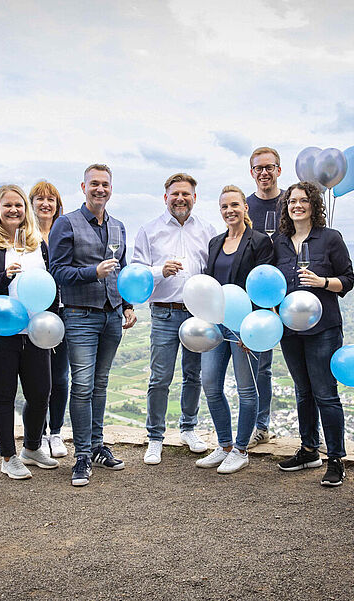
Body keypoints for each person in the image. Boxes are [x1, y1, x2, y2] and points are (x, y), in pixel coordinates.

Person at [49, 164, 137, 487]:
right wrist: (91, 273)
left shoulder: (119, 227)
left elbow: (123, 271)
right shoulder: (66, 223)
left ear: (111, 189)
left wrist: (127, 305)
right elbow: (56, 271)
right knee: (82, 385)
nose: (100, 189)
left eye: (105, 184)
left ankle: (98, 445)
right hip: (79, 315)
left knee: (101, 384)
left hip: (112, 315)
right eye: (94, 184)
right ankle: (82, 454)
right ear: (82, 187)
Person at [0, 185, 59, 480]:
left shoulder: (38, 245)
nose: (13, 210)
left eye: (19, 205)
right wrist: (4, 275)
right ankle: (8, 456)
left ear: (26, 210)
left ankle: (32, 448)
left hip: (34, 331)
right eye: (7, 205)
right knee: (4, 394)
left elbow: (48, 286)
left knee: (40, 392)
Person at [132, 173, 216, 465]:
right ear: (165, 197)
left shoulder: (207, 229)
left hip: (197, 313)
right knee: (160, 378)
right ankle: (155, 437)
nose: (180, 199)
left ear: (195, 197)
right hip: (164, 311)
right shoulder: (149, 230)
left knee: (193, 375)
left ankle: (188, 428)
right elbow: (136, 274)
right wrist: (159, 271)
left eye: (186, 194)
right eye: (175, 194)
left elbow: (213, 271)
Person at [274, 182, 354, 486]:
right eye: (292, 201)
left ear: (314, 205)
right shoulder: (280, 242)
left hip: (323, 329)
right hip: (289, 329)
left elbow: (346, 280)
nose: (297, 205)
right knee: (302, 391)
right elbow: (270, 282)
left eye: (303, 200)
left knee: (325, 393)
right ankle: (309, 449)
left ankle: (336, 459)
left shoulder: (330, 238)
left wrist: (321, 281)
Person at [196, 185, 274, 474]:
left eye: (235, 205)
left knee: (246, 389)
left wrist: (251, 328)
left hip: (245, 325)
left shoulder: (260, 241)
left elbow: (263, 286)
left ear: (245, 208)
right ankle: (225, 445)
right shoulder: (215, 242)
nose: (230, 211)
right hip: (217, 324)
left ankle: (241, 449)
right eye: (225, 206)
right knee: (210, 384)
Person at [245, 147, 286, 449]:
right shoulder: (245, 206)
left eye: (269, 167)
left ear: (278, 170)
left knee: (311, 366)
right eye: (258, 168)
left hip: (292, 294)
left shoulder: (292, 202)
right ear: (251, 172)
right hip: (257, 297)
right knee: (261, 367)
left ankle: (315, 433)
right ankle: (261, 426)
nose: (264, 172)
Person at [29, 180, 69, 459]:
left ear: (57, 205)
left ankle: (56, 431)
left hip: (63, 313)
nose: (45, 204)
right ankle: (38, 434)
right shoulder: (24, 236)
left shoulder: (64, 233)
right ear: (31, 204)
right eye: (40, 199)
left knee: (60, 377)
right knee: (36, 379)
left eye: (50, 199)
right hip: (32, 316)